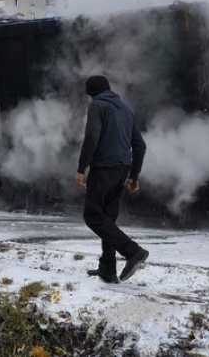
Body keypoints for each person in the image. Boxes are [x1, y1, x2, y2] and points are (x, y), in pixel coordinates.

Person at [75, 75, 149, 283]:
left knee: (92, 216)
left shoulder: (97, 106)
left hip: (104, 167)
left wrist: (81, 169)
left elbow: (91, 137)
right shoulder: (125, 109)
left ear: (90, 93)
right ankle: (107, 269)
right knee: (107, 217)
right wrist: (134, 175)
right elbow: (140, 146)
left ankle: (132, 251)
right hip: (122, 168)